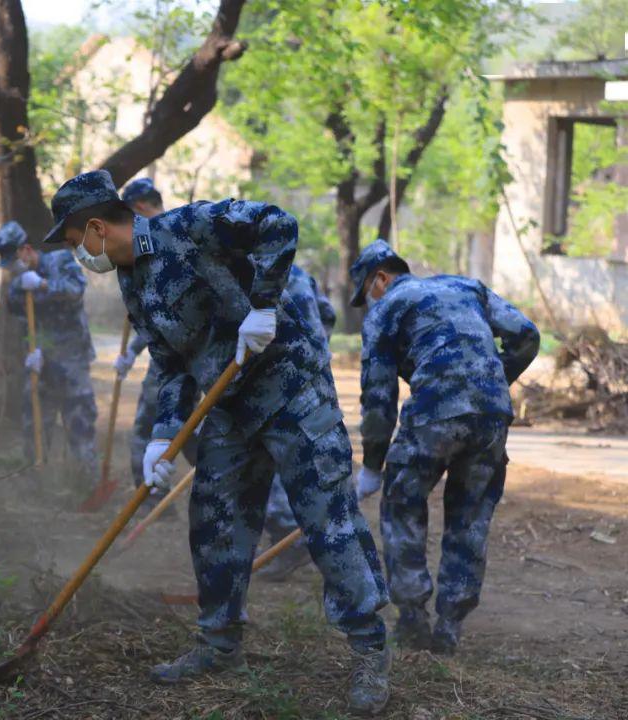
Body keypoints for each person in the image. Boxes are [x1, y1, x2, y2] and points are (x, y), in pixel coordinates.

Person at [44, 170, 390, 716]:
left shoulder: (189, 226)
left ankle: (370, 649)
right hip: (229, 405)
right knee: (214, 518)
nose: (76, 255)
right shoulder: (131, 280)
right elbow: (170, 363)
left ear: (95, 227)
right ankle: (218, 642)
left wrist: (265, 304)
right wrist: (162, 437)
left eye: (72, 243)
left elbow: (279, 223)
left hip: (292, 391)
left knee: (327, 520)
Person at [350, 239, 540, 655]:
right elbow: (526, 334)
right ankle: (451, 625)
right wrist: (486, 381)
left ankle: (414, 619)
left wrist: (372, 465)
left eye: (366, 291)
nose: (368, 301)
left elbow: (378, 397)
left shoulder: (387, 308)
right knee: (470, 517)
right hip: (492, 416)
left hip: (434, 412)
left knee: (402, 506)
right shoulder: (465, 286)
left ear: (380, 278)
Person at [0, 220, 99, 487]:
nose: (13, 268)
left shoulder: (60, 261)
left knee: (79, 421)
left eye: (15, 260)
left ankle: (85, 484)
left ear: (27, 249)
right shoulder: (19, 284)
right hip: (44, 360)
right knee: (36, 420)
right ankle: (37, 482)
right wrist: (35, 348)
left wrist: (42, 285)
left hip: (73, 357)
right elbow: (19, 315)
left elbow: (76, 290)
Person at [112, 178, 196, 505]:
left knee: (147, 430)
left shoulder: (156, 240)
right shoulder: (182, 230)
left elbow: (163, 313)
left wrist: (135, 350)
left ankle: (148, 498)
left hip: (175, 360)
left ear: (142, 208)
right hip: (197, 354)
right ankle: (230, 486)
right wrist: (133, 351)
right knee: (188, 428)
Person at [258, 264, 338, 581]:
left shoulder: (259, 272)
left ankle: (288, 542)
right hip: (315, 380)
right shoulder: (300, 272)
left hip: (286, 384)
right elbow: (328, 313)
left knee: (276, 459)